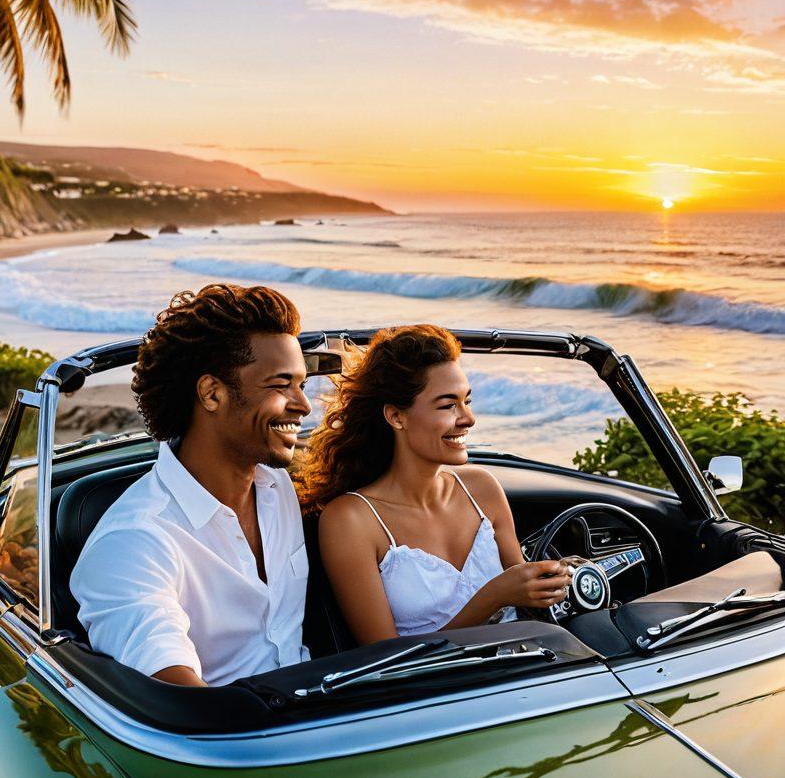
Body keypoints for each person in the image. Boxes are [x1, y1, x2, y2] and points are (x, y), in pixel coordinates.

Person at [71, 284, 312, 687]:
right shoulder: (133, 540)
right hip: (234, 742)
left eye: (302, 384)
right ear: (212, 393)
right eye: (280, 385)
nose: (303, 405)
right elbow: (180, 697)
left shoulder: (279, 486)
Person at [299, 324, 573, 644]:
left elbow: (527, 594)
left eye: (466, 401)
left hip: (531, 668)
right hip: (433, 692)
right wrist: (494, 596)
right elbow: (381, 657)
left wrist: (558, 577)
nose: (467, 418)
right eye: (448, 405)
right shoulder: (351, 519)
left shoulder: (482, 489)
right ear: (396, 417)